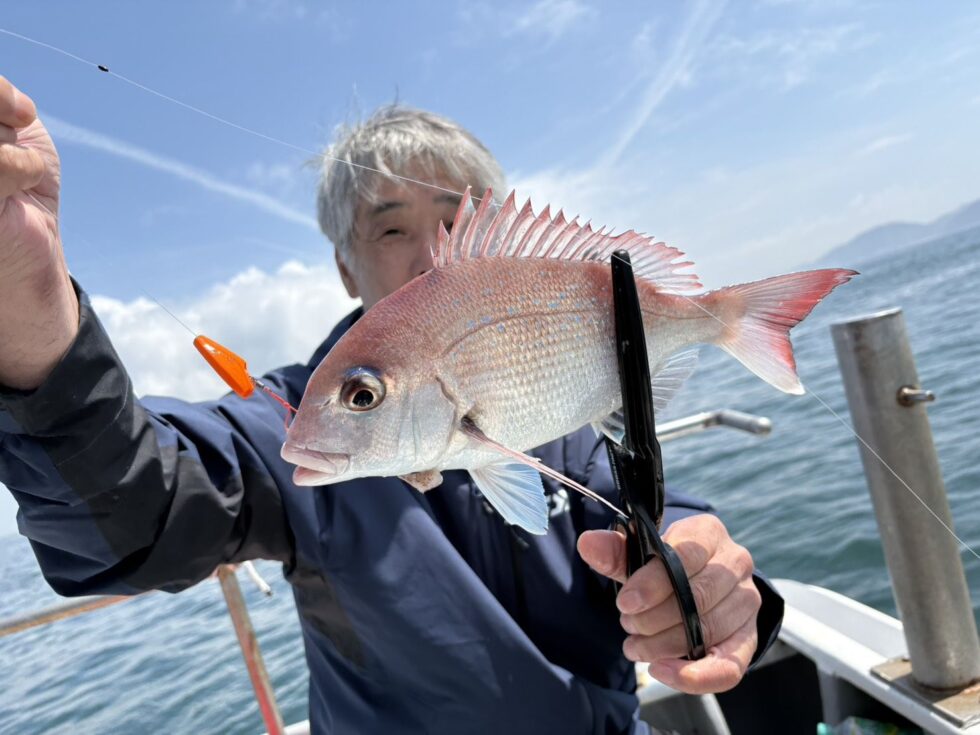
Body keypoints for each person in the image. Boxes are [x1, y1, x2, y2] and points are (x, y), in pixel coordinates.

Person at [0, 75, 782, 734]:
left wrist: (699, 571)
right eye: (392, 227)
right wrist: (33, 328)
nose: (430, 253)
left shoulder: (558, 411)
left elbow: (637, 502)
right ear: (345, 267)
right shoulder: (294, 420)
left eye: (458, 221)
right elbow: (138, 510)